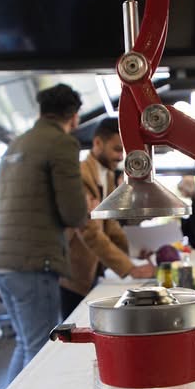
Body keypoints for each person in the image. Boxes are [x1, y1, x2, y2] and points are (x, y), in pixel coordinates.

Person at [0, 83, 89, 381]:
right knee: (40, 349)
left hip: (1, 259)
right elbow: (73, 213)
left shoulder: (15, 145)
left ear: (42, 111)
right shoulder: (61, 143)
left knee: (25, 343)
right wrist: (87, 207)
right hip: (34, 261)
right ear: (74, 117)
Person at [60, 118, 155, 318]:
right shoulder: (80, 175)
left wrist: (134, 254)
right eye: (116, 149)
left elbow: (110, 224)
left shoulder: (108, 176)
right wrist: (130, 268)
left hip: (95, 267)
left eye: (123, 151)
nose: (121, 157)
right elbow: (89, 231)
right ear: (97, 143)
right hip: (74, 271)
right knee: (74, 325)